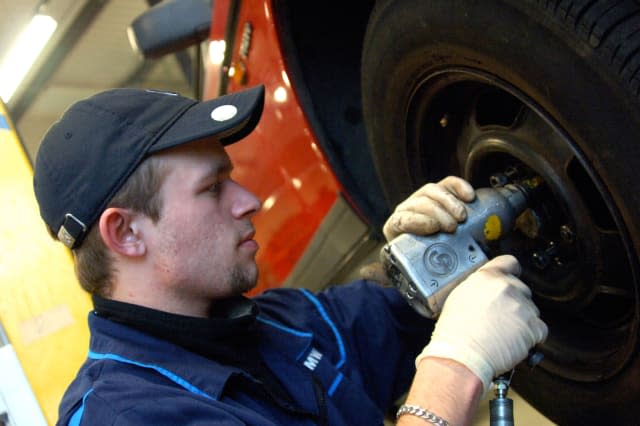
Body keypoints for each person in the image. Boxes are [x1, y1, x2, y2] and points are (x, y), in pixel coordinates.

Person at [33, 84, 547, 426]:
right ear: (125, 233)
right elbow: (452, 364)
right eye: (213, 188)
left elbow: (387, 321)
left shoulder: (276, 321)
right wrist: (454, 370)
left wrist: (422, 257)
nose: (249, 201)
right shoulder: (119, 416)